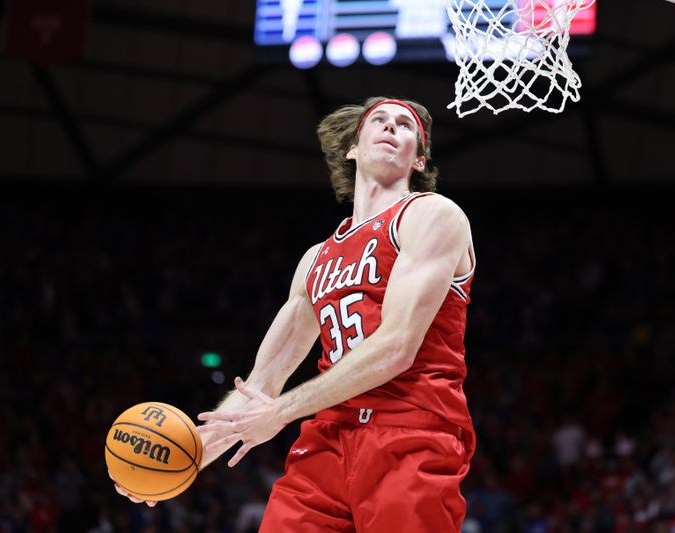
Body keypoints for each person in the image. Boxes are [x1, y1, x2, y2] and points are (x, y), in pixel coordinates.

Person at [114, 96, 477, 531]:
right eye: (378, 120)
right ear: (353, 148)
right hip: (328, 439)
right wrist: (189, 456)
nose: (390, 127)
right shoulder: (315, 260)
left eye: (405, 125)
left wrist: (281, 412)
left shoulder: (433, 215)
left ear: (419, 158)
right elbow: (263, 384)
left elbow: (396, 346)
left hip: (410, 432)